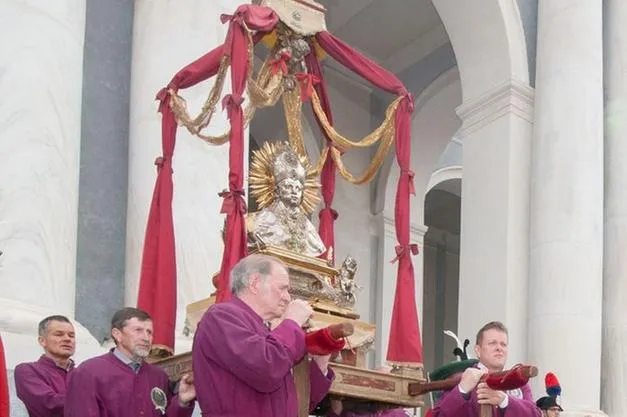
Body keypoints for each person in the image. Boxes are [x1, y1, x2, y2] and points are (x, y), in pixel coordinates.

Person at [192, 254, 334, 417]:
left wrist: (320, 363)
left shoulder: (271, 332)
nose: (288, 298)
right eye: (282, 288)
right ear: (255, 283)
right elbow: (266, 368)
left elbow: (299, 404)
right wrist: (292, 322)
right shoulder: (221, 317)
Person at [64, 308, 195, 417]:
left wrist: (182, 402)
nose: (146, 338)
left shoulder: (158, 376)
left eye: (149, 332)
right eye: (138, 330)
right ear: (117, 334)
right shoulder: (88, 372)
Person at [432, 321, 540, 417]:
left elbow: (536, 414)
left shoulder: (517, 381)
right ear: (478, 350)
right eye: (492, 343)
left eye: (503, 344)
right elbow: (439, 415)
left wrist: (505, 401)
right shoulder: (461, 379)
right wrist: (462, 390)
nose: (499, 348)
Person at [249, 144, 326, 257]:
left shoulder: (308, 226)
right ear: (277, 190)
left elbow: (317, 248)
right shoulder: (263, 220)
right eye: (288, 186)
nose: (294, 191)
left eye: (298, 188)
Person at [14, 315, 76, 417]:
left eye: (71, 335)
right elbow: (49, 406)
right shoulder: (27, 370)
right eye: (59, 334)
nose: (67, 339)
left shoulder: (83, 374)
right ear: (42, 341)